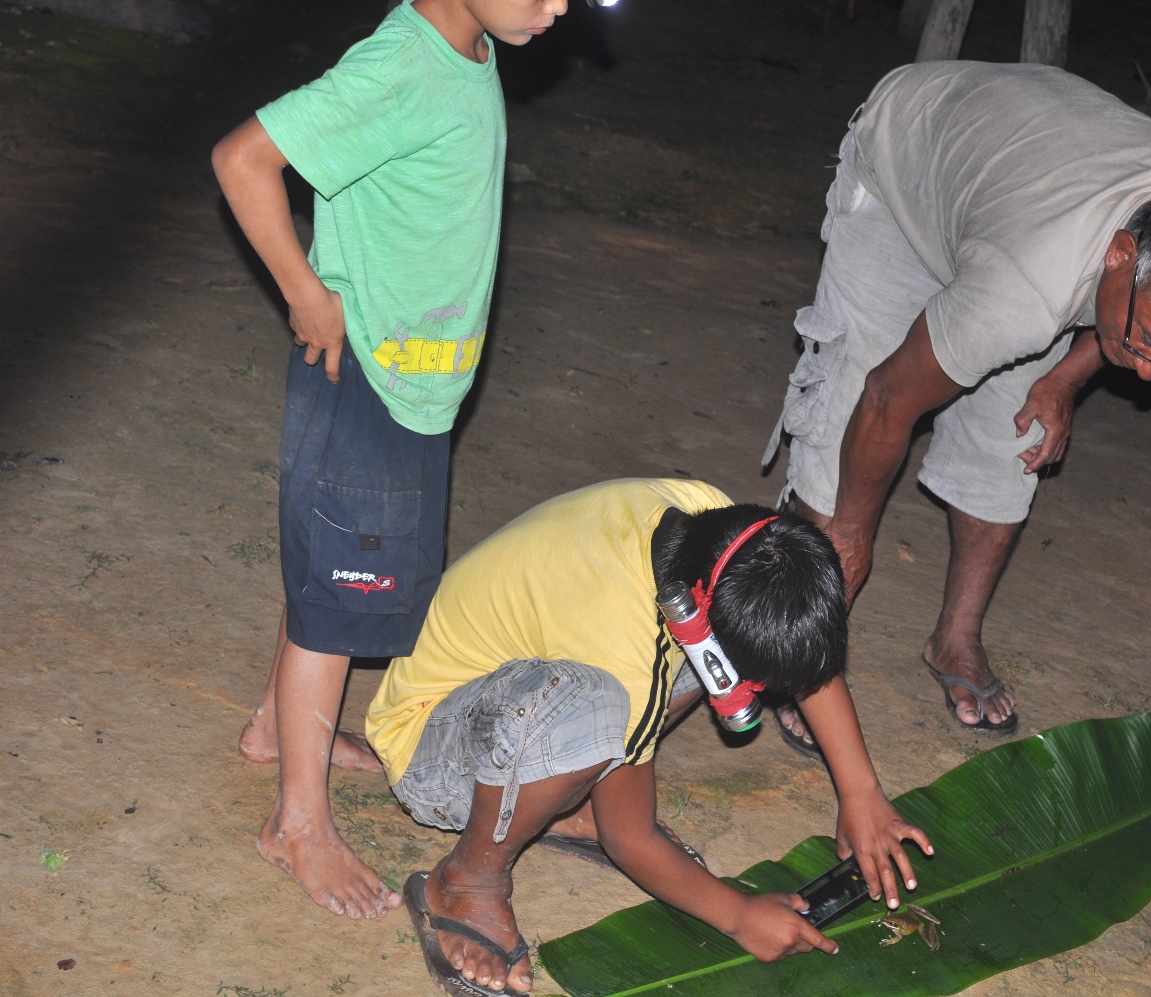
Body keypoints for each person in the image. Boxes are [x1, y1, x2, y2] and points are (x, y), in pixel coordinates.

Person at [762, 62, 1151, 749]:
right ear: (1120, 256)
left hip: (1024, 187)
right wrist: (853, 534)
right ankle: (807, 645)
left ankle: (955, 638)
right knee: (843, 441)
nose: (1150, 377)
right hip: (911, 161)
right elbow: (888, 399)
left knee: (1012, 435)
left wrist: (1067, 376)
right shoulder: (1028, 282)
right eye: (1146, 344)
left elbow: (1141, 332)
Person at [212, 0, 568, 919]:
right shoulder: (403, 67)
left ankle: (273, 725)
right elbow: (243, 158)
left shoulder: (473, 40)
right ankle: (296, 825)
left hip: (414, 385)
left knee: (337, 571)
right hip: (364, 375)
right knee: (343, 602)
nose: (559, 6)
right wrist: (305, 293)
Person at [364, 478, 932, 995]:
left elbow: (800, 647)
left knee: (726, 652)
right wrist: (738, 915)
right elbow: (628, 837)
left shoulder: (714, 528)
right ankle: (466, 882)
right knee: (599, 705)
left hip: (513, 693)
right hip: (431, 747)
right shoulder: (624, 652)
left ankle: (561, 796)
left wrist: (863, 795)